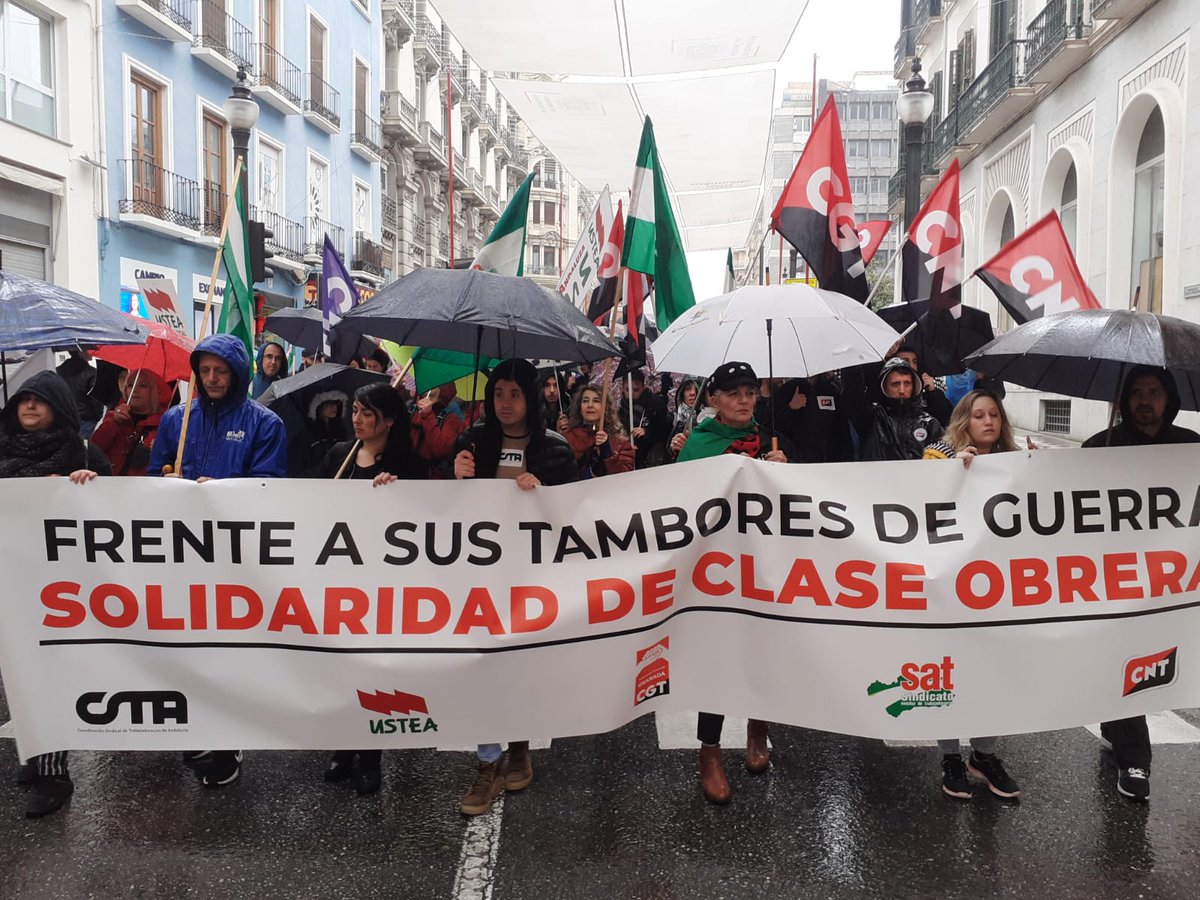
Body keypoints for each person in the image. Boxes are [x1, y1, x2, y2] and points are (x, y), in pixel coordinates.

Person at [148, 333, 288, 788]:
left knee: (229, 648)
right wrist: (168, 479)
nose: (211, 379)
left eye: (220, 371)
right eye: (204, 370)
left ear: (237, 373)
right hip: (182, 553)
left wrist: (224, 491)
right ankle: (197, 724)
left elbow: (269, 487)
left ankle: (227, 743)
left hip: (235, 558)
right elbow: (154, 477)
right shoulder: (175, 419)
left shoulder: (265, 423)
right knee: (188, 645)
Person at [451, 358, 576, 815]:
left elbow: (574, 517)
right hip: (480, 579)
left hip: (532, 578)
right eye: (498, 393)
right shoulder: (471, 441)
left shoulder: (556, 449)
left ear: (530, 397)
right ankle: (487, 763)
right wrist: (457, 476)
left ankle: (520, 746)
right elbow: (444, 513)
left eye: (515, 394)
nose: (505, 403)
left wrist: (543, 492)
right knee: (483, 662)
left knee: (523, 662)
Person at [672, 361, 789, 804]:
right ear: (713, 400)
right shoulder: (699, 444)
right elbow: (679, 504)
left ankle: (759, 728)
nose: (745, 400)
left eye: (750, 392)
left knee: (764, 649)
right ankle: (710, 751)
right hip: (715, 571)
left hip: (766, 567)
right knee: (716, 658)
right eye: (734, 393)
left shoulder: (773, 437)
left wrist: (783, 467)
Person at [1081, 365, 1200, 801]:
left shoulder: (1191, 447)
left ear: (1169, 399)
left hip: (1177, 582)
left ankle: (1115, 725)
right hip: (1117, 580)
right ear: (1123, 399)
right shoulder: (1101, 446)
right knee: (1128, 658)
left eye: (1153, 392)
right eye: (1136, 392)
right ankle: (1135, 760)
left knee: (1160, 659)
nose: (1144, 401)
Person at [0, 371, 110, 818]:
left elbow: (118, 513)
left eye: (39, 400)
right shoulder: (3, 449)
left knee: (46, 674)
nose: (28, 407)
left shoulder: (82, 452)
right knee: (18, 677)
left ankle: (53, 774)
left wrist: (91, 484)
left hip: (58, 590)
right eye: (23, 399)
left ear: (58, 406)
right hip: (10, 580)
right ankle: (34, 750)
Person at [320, 383, 420, 793]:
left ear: (389, 420)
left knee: (372, 668)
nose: (357, 419)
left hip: (380, 587)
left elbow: (420, 520)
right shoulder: (335, 456)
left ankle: (370, 757)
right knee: (339, 667)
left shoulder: (405, 465)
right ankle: (344, 748)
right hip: (338, 579)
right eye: (356, 411)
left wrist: (396, 493)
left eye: (367, 413)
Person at [922, 390, 1022, 800]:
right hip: (950, 584)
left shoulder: (1014, 460)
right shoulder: (939, 453)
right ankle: (950, 758)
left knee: (992, 671)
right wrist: (954, 473)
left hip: (997, 587)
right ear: (964, 418)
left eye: (994, 414)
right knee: (949, 671)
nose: (988, 421)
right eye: (978, 414)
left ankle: (984, 755)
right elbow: (919, 499)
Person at [848, 357, 945, 461]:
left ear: (914, 386)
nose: (902, 390)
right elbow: (852, 392)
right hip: (878, 476)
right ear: (884, 387)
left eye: (907, 383)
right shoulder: (872, 417)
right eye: (895, 384)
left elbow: (944, 457)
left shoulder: (929, 423)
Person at [91, 368, 171, 476]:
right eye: (130, 385)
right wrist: (113, 423)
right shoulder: (114, 417)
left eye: (142, 386)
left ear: (154, 390)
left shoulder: (165, 424)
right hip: (109, 484)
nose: (134, 390)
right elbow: (94, 450)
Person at [560, 383, 634, 479]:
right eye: (585, 401)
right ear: (579, 406)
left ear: (606, 407)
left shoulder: (620, 442)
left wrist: (607, 453)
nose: (590, 405)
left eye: (596, 401)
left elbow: (625, 478)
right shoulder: (568, 439)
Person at [411, 381, 466, 478]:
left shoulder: (451, 419)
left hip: (431, 477)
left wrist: (428, 414)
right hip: (407, 471)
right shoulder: (413, 411)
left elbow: (441, 449)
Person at [620, 369, 669, 468]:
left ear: (643, 388)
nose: (631, 393)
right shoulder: (619, 412)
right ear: (622, 389)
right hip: (626, 462)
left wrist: (646, 432)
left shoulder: (653, 407)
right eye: (627, 389)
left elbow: (663, 432)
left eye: (636, 390)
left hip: (647, 462)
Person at [894, 343, 953, 426]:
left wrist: (933, 392)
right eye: (905, 361)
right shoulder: (890, 389)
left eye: (914, 362)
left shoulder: (925, 389)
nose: (911, 366)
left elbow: (946, 419)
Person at [55, 348, 106, 438]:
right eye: (88, 349)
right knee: (81, 448)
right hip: (86, 420)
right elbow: (96, 399)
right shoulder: (91, 373)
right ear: (80, 352)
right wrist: (98, 416)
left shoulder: (58, 371)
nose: (91, 352)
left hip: (64, 419)